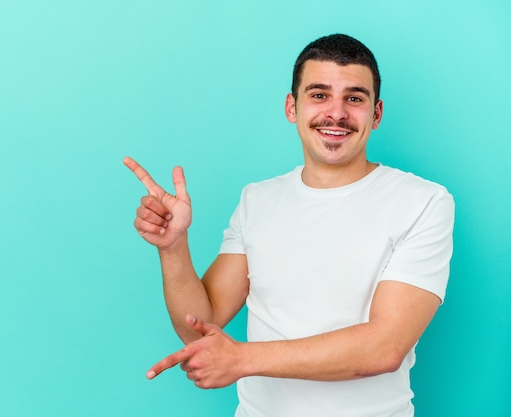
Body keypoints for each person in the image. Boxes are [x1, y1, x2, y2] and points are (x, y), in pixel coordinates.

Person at [123, 33, 454, 417]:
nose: (337, 113)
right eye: (318, 94)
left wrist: (242, 359)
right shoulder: (257, 200)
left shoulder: (423, 201)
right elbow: (201, 326)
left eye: (354, 98)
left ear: (376, 114)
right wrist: (173, 248)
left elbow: (385, 347)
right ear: (291, 107)